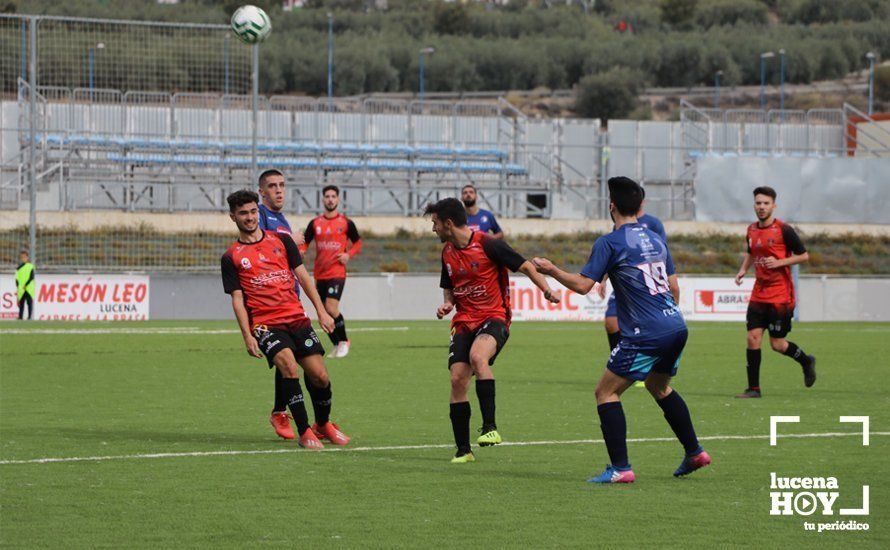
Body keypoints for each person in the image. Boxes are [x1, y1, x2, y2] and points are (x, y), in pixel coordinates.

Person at [533, 177, 710, 483]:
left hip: (648, 331)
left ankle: (620, 468)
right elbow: (674, 285)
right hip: (676, 325)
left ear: (611, 206)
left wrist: (552, 270)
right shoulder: (655, 238)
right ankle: (694, 452)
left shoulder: (610, 242)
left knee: (606, 392)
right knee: (659, 386)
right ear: (639, 206)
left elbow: (583, 285)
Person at [425, 197, 559, 464]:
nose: (433, 229)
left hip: (494, 316)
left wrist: (546, 289)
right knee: (457, 379)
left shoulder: (488, 244)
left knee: (478, 357)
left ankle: (490, 428)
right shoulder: (447, 252)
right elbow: (449, 284)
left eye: (435, 224)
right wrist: (447, 304)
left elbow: (525, 266)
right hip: (464, 320)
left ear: (448, 223)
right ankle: (463, 450)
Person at [221, 189, 350, 449]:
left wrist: (321, 312)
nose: (249, 217)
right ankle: (304, 431)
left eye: (253, 211)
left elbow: (302, 277)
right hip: (266, 324)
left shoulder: (281, 241)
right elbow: (237, 299)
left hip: (297, 318)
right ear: (233, 217)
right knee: (289, 368)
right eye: (243, 213)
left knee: (320, 376)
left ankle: (322, 424)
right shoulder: (231, 256)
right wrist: (247, 335)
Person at [734, 186, 816, 398]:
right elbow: (751, 253)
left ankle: (806, 361)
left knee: (777, 344)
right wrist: (743, 269)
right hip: (759, 293)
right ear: (754, 205)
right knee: (753, 338)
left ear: (773, 206)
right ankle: (754, 389)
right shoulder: (751, 230)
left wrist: (780, 262)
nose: (761, 207)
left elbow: (804, 256)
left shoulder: (784, 230)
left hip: (780, 295)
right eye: (758, 203)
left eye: (766, 203)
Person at [298, 185, 362, 358]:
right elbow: (305, 241)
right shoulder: (315, 223)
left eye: (333, 196)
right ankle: (336, 343)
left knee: (331, 307)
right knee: (324, 312)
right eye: (327, 196)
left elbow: (358, 242)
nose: (330, 199)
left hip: (337, 273)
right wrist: (302, 250)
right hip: (320, 274)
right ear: (323, 200)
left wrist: (349, 254)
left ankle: (344, 341)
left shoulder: (346, 223)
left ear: (338, 200)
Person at [16, 249, 35, 320]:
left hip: (29, 288)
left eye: (24, 257)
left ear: (27, 257)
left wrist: (26, 284)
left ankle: (29, 317)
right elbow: (17, 278)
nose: (23, 258)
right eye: (22, 257)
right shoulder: (18, 268)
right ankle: (20, 317)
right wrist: (18, 286)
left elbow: (31, 277)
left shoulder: (30, 266)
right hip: (21, 288)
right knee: (21, 303)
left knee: (29, 303)